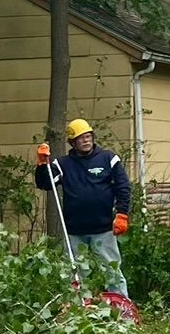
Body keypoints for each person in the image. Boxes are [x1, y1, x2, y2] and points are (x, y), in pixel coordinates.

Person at [35, 118, 132, 298]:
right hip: (74, 231)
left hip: (103, 229)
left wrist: (122, 214)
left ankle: (124, 311)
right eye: (81, 138)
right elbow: (45, 184)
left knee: (112, 271)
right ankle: (78, 309)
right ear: (73, 142)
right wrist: (42, 164)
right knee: (76, 275)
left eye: (88, 136)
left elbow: (123, 187)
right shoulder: (62, 164)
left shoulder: (108, 159)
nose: (86, 140)